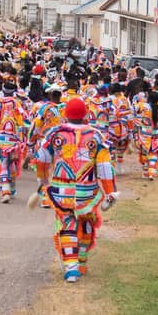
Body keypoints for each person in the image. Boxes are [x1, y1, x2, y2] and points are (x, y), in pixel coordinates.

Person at [35, 98, 117, 282]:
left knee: (66, 225)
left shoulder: (54, 134)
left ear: (65, 114)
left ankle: (71, 267)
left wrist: (43, 182)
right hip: (87, 192)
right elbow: (104, 167)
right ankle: (81, 260)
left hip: (61, 191)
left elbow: (42, 159)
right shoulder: (96, 136)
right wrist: (109, 191)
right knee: (86, 223)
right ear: (85, 115)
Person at [133, 90, 158, 180]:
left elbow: (133, 110)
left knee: (144, 152)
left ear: (148, 99)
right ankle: (151, 172)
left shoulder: (142, 106)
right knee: (154, 153)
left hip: (144, 134)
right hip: (157, 134)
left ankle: (145, 172)